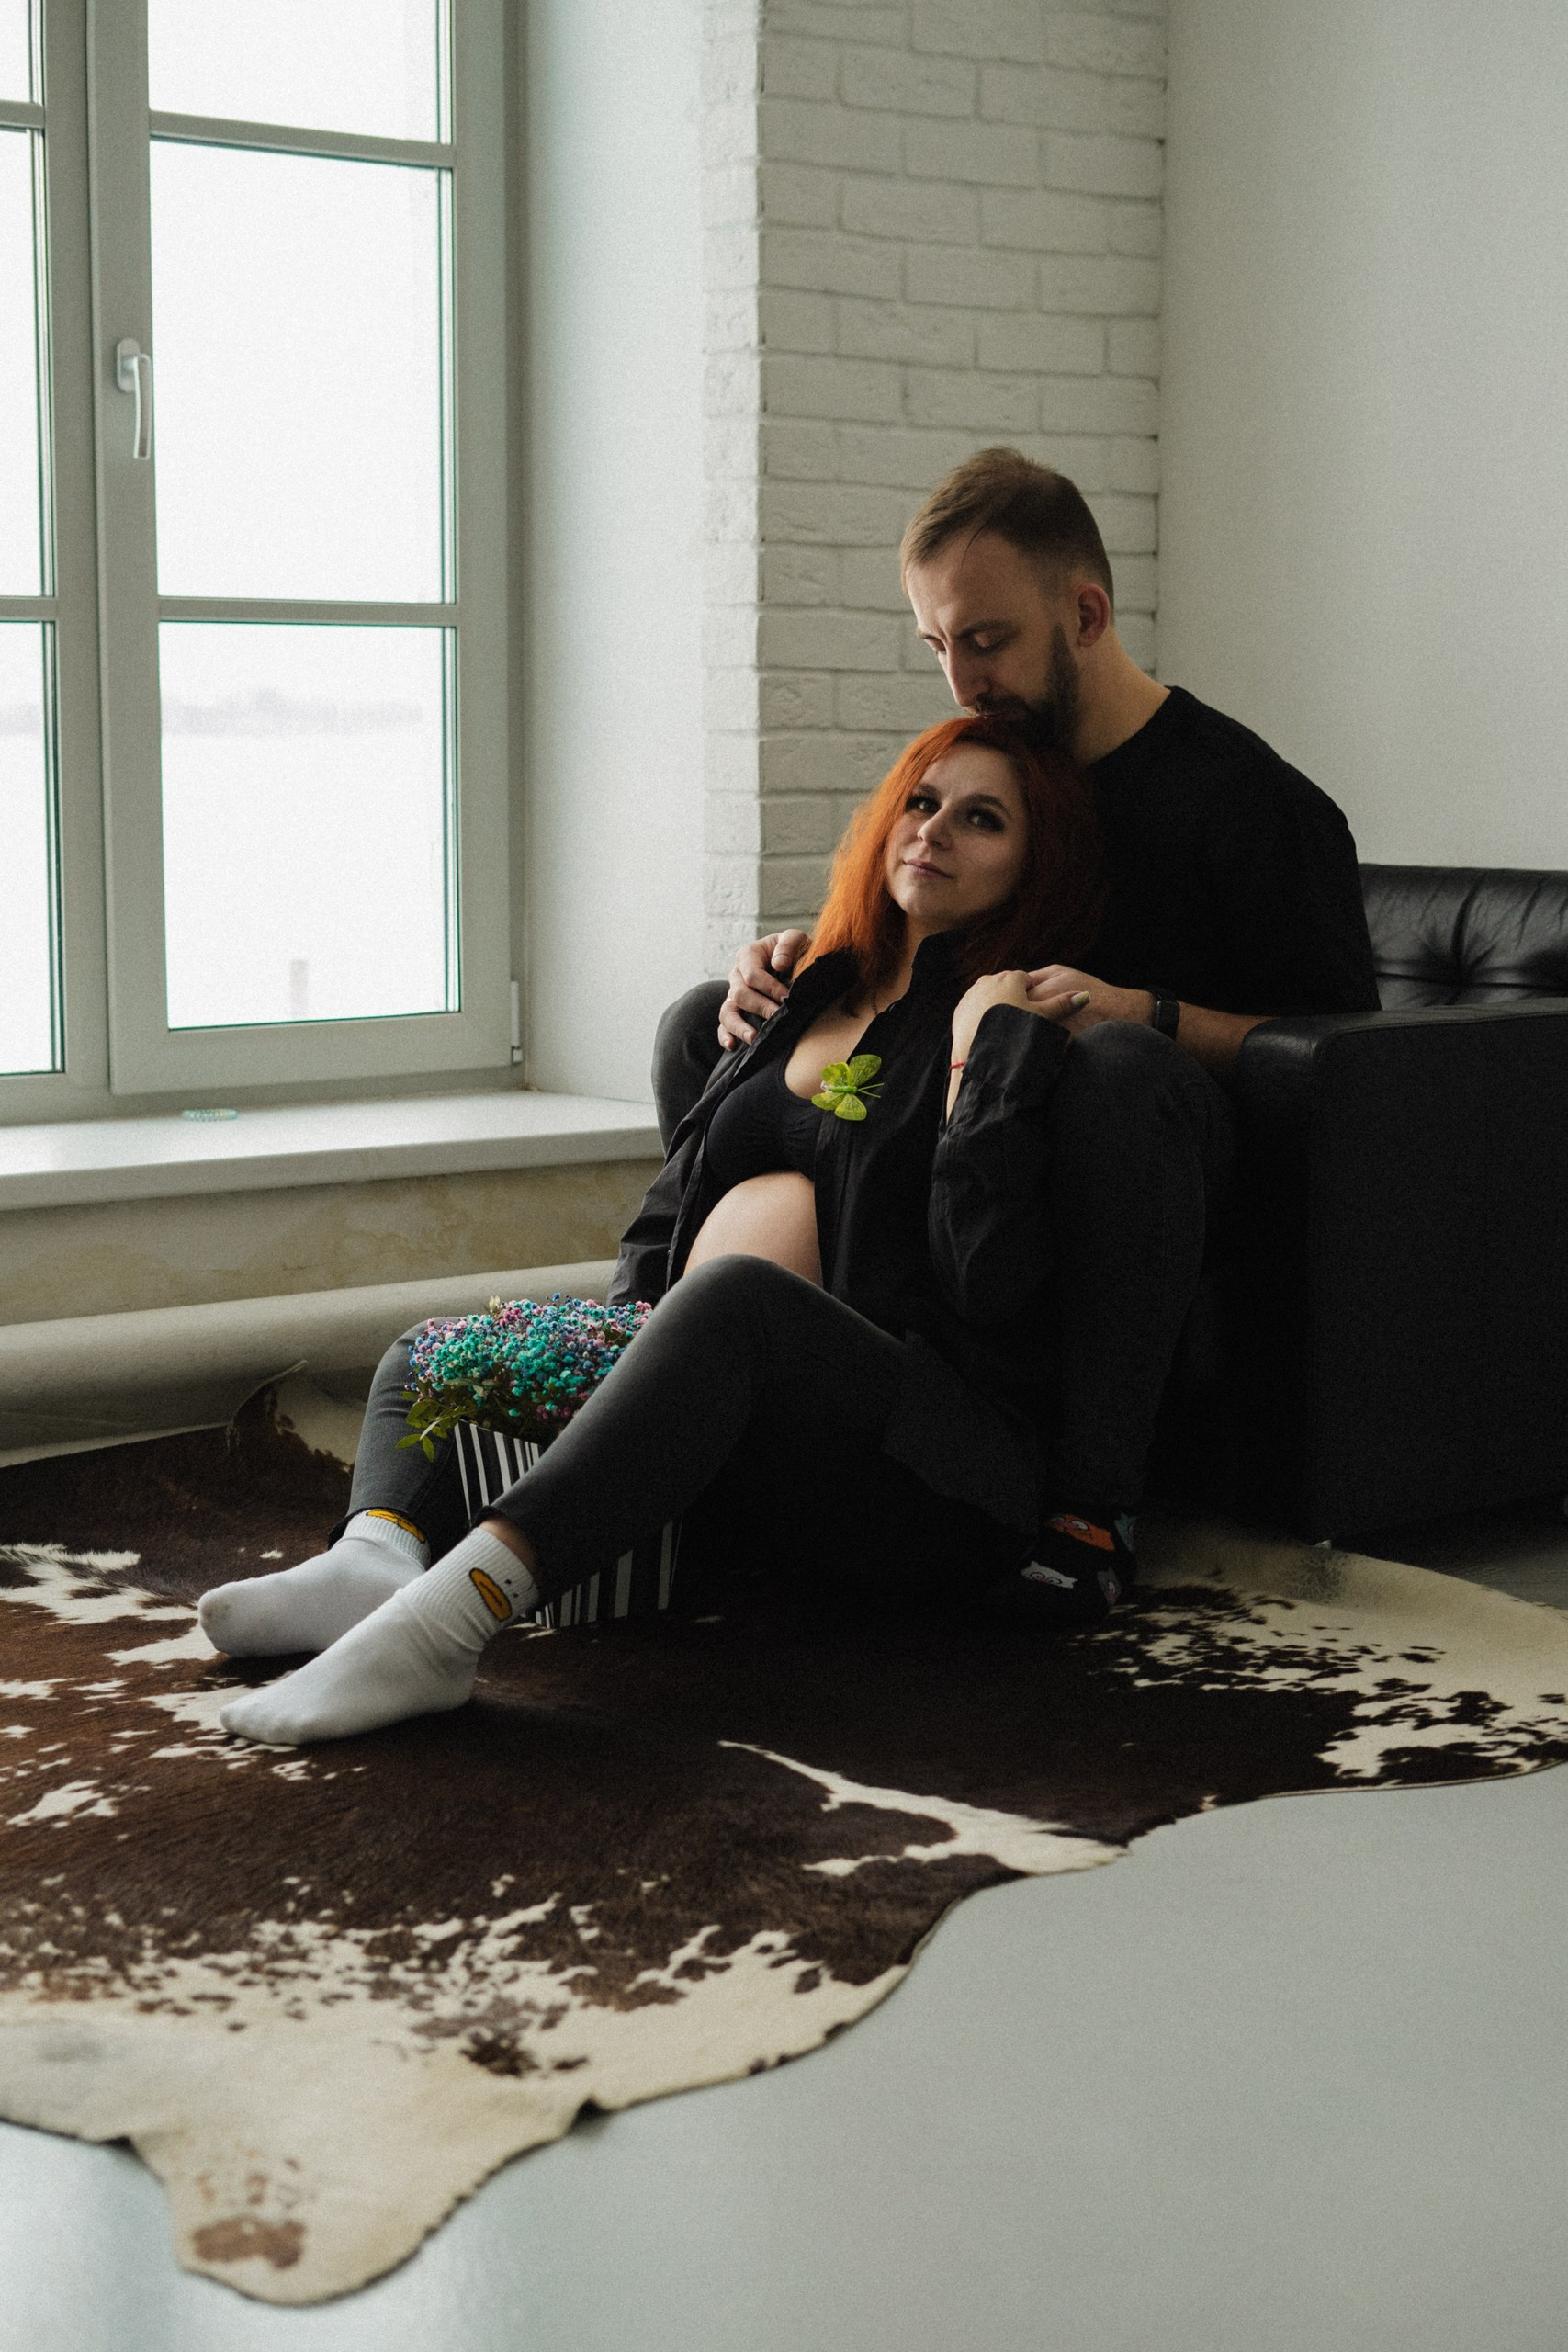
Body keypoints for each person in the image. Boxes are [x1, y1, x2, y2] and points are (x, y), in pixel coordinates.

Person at [209, 713, 1115, 1749]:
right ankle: (374, 1558)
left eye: (983, 819)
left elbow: (985, 1282)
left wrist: (977, 1058)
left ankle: (447, 1626)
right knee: (437, 1346)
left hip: (921, 1465)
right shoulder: (807, 987)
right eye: (921, 800)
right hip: (733, 1430)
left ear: (1035, 864)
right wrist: (617, 1350)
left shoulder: (1013, 1023)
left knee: (733, 1299)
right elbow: (677, 1197)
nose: (934, 830)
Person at [659, 446, 1380, 1572]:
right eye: (938, 646)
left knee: (1115, 1068)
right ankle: (722, 1400)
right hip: (970, 1128)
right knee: (711, 1017)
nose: (961, 681)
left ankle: (1091, 1511)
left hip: (1153, 1150)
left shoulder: (1252, 806)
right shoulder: (1005, 769)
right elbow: (925, 942)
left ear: (1084, 614)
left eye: (986, 641)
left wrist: (1146, 1012)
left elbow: (1351, 1062)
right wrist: (813, 965)